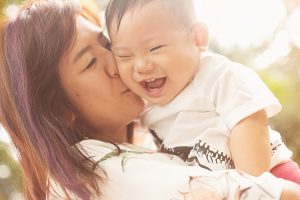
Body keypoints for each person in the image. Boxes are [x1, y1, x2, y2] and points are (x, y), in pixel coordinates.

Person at [1, 0, 300, 200]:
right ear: (60, 108)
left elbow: (249, 124)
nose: (120, 64)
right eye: (91, 62)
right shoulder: (96, 170)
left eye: (107, 45)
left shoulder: (207, 80)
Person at [106, 0, 300, 183]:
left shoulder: (217, 75)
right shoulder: (143, 107)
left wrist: (251, 188)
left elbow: (250, 121)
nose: (141, 66)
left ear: (198, 38)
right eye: (124, 56)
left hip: (272, 176)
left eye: (155, 48)